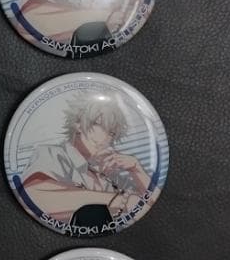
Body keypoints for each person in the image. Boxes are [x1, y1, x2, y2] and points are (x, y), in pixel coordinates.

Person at [21, 92, 155, 228]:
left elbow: (152, 204)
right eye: (101, 126)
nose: (106, 138)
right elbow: (31, 195)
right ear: (78, 124)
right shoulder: (53, 154)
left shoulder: (107, 172)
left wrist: (136, 170)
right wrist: (116, 200)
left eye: (111, 133)